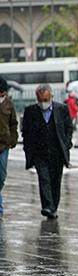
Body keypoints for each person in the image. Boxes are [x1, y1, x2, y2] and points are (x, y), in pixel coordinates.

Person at [21, 84, 73, 219]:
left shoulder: (61, 109)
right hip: (40, 153)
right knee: (44, 179)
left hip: (57, 152)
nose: (43, 103)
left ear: (51, 97)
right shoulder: (30, 111)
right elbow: (25, 132)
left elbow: (68, 128)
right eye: (40, 100)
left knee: (55, 181)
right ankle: (47, 206)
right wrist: (28, 148)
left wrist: (66, 145)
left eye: (46, 99)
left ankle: (53, 207)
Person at [0, 77, 18, 217]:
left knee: (1, 175)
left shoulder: (8, 104)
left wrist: (13, 139)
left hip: (4, 146)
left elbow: (13, 124)